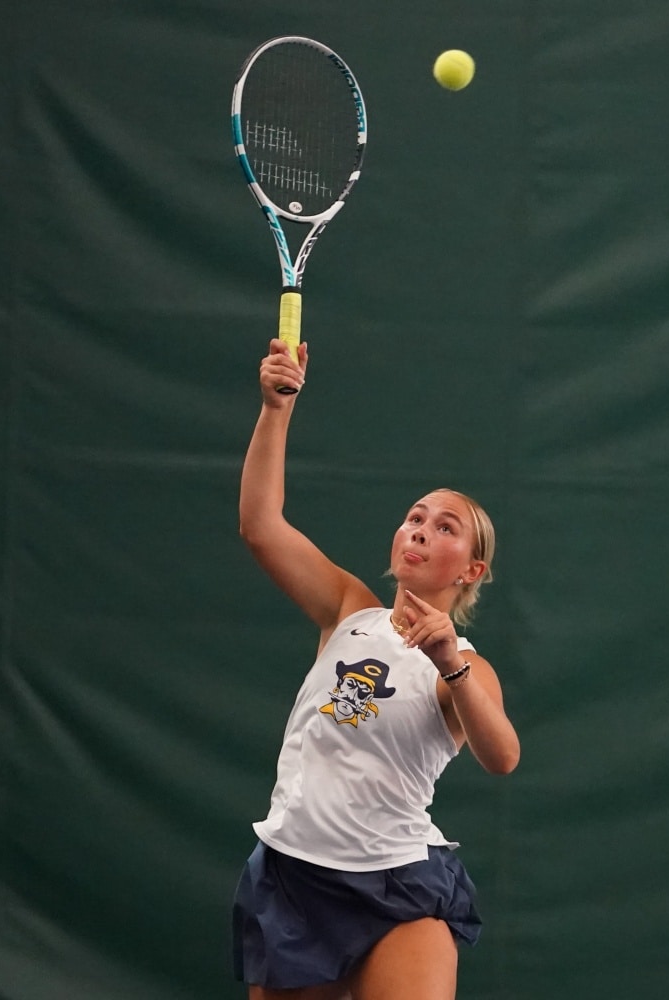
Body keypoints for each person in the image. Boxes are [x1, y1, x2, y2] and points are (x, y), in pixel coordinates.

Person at [232, 339, 520, 1000]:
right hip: (294, 877)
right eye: (414, 516)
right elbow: (260, 524)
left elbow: (501, 755)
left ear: (470, 570)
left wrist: (448, 663)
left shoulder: (466, 666)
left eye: (445, 527)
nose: (420, 528)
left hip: (397, 885)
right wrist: (276, 408)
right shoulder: (348, 611)